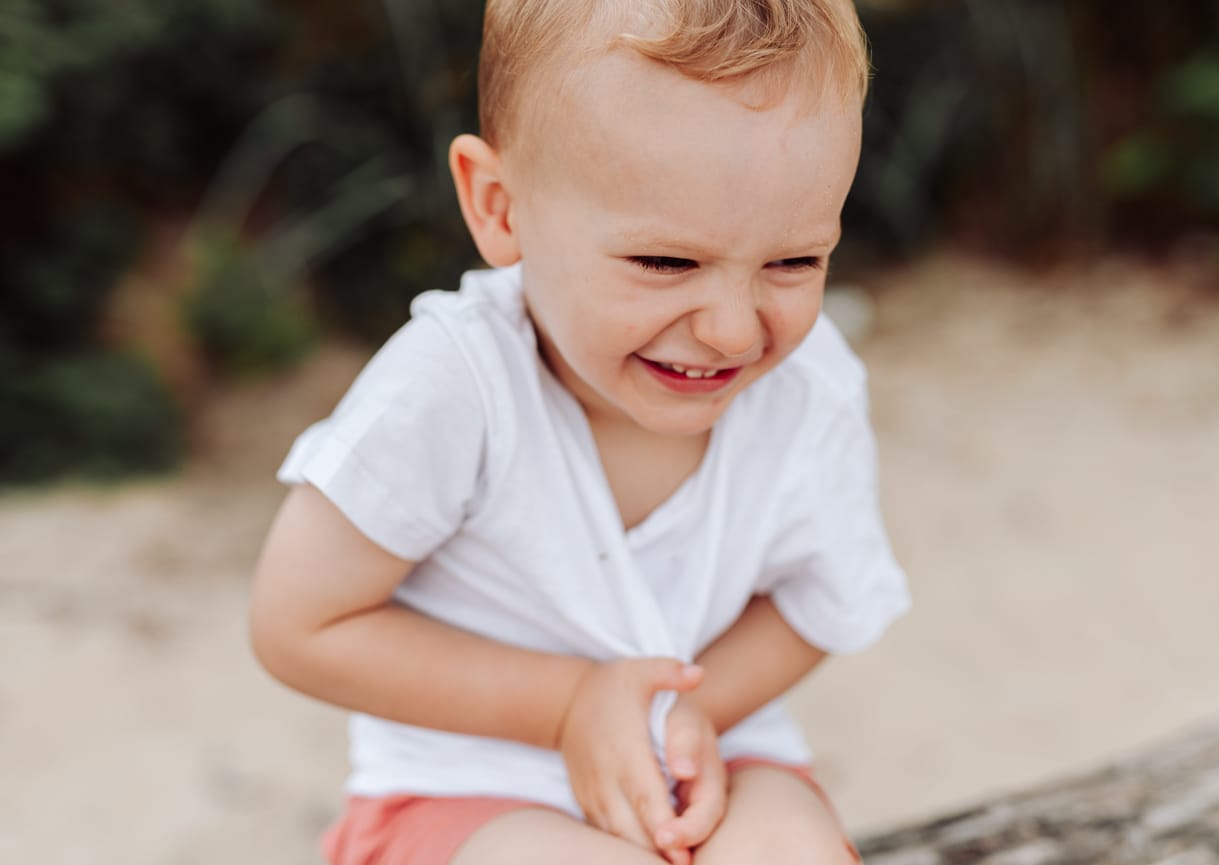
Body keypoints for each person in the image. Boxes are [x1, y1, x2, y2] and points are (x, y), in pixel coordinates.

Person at [249, 1, 909, 863]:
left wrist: (687, 710)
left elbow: (821, 597)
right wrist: (567, 704)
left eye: (794, 261)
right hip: (464, 787)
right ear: (500, 208)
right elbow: (299, 624)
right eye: (666, 261)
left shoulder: (809, 389)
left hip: (714, 750)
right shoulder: (454, 386)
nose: (732, 331)